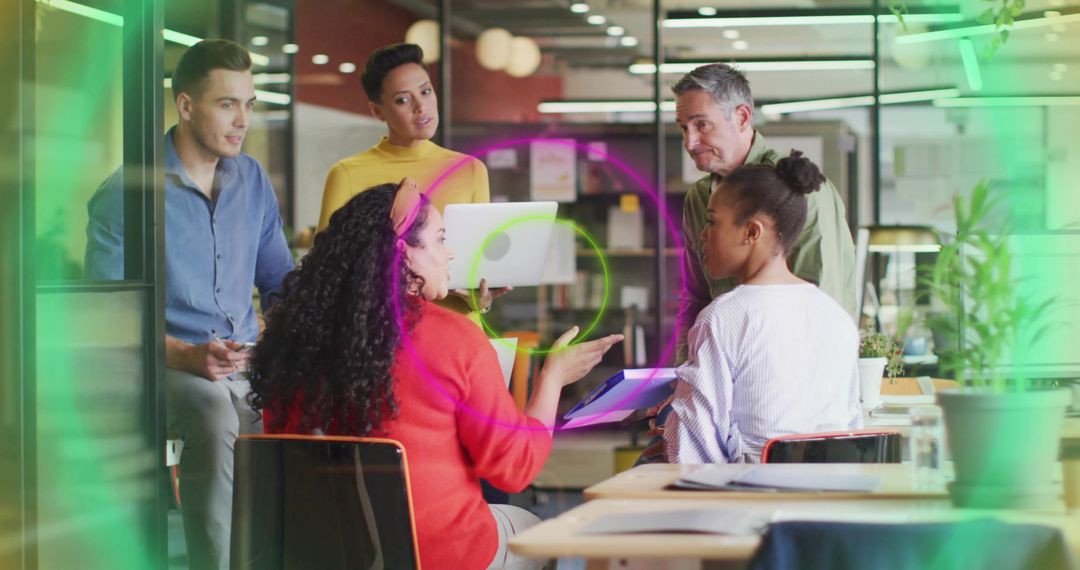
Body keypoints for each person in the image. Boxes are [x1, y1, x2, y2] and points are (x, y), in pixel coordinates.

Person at [249, 180, 623, 570]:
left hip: (319, 555)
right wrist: (552, 378)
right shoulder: (455, 339)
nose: (450, 253)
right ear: (403, 251)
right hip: (437, 556)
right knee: (534, 529)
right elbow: (514, 469)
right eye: (441, 239)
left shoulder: (291, 341)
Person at [85, 40, 293, 570]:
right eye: (227, 104)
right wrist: (184, 354)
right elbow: (107, 320)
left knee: (296, 405)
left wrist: (278, 336)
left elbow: (280, 283)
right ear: (185, 105)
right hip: (164, 364)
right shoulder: (127, 191)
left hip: (245, 361)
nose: (243, 120)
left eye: (249, 104)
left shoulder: (252, 179)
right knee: (214, 413)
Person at [663, 151, 862, 464]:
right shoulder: (837, 317)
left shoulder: (722, 318)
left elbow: (691, 452)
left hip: (751, 489)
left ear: (752, 232)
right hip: (831, 489)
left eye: (712, 222)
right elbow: (851, 426)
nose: (702, 235)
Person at [673, 63, 857, 365]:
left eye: (701, 125)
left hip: (790, 372)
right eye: (683, 128)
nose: (689, 142)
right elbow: (695, 297)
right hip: (723, 371)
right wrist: (683, 372)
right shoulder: (698, 198)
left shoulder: (799, 191)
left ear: (742, 117)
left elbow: (824, 304)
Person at [319, 42, 499, 314]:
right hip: (379, 331)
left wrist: (482, 300)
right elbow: (327, 273)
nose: (421, 107)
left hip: (457, 329)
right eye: (402, 100)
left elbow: (477, 269)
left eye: (425, 91)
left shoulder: (470, 170)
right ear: (377, 111)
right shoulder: (347, 174)